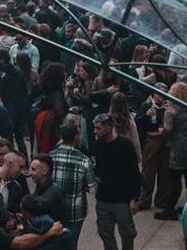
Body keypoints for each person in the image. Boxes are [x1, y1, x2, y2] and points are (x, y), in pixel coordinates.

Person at [90, 114, 139, 250]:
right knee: (106, 234)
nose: (95, 131)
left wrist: (135, 198)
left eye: (98, 128)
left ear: (109, 127)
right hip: (103, 199)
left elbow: (134, 173)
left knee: (127, 234)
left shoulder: (125, 145)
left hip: (122, 200)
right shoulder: (98, 145)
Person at [156, 81, 187, 221]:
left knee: (174, 180)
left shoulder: (171, 109)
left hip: (177, 148)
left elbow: (168, 130)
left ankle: (169, 210)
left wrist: (161, 131)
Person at [48, 125, 94, 250]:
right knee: (71, 244)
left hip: (53, 207)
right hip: (76, 210)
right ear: (76, 137)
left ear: (61, 137)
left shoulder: (50, 156)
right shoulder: (84, 160)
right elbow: (92, 188)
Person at [133, 90, 169, 213]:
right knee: (148, 172)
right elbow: (137, 121)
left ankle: (161, 200)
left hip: (164, 141)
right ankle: (145, 200)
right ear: (153, 95)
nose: (161, 97)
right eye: (159, 94)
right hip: (150, 140)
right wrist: (146, 115)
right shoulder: (146, 105)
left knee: (164, 171)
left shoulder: (168, 106)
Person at [27, 154, 65, 224]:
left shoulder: (51, 194)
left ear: (44, 171)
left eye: (33, 169)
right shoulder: (43, 187)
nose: (30, 173)